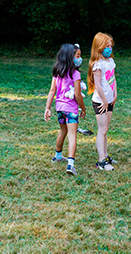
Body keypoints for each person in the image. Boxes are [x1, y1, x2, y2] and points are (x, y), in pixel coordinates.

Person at [44, 43, 86, 176]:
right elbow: (78, 95)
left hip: (59, 108)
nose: (80, 58)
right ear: (70, 57)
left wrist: (47, 108)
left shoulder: (57, 71)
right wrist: (83, 108)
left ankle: (57, 155)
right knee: (72, 134)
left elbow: (52, 91)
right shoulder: (76, 74)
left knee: (63, 131)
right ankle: (70, 164)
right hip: (71, 109)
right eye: (77, 56)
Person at [87, 32, 118, 171]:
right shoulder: (97, 65)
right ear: (99, 47)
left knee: (106, 130)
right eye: (106, 46)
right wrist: (104, 100)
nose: (109, 48)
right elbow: (98, 85)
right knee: (102, 130)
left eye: (110, 46)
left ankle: (105, 156)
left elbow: (113, 79)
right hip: (100, 102)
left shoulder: (110, 61)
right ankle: (101, 161)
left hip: (110, 101)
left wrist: (114, 94)